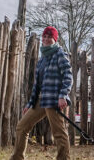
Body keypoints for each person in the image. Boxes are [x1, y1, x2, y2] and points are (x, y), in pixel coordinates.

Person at [10, 26, 73, 160]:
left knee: (59, 133)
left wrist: (63, 95)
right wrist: (30, 103)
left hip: (54, 100)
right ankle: (17, 158)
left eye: (49, 37)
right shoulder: (42, 59)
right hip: (41, 100)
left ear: (54, 39)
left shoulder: (60, 54)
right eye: (44, 36)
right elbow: (37, 85)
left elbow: (68, 76)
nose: (46, 39)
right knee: (22, 127)